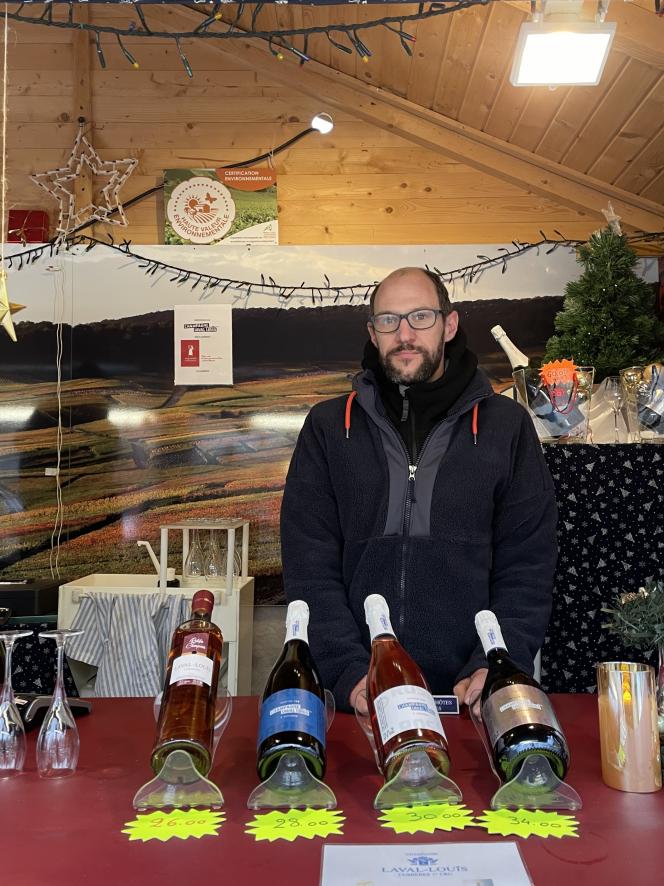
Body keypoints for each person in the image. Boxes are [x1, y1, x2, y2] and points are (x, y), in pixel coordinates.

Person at [280, 267, 558, 713]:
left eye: (420, 318)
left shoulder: (506, 427)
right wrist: (350, 671)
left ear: (449, 325)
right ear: (373, 333)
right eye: (389, 320)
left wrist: (496, 662)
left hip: (471, 695)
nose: (404, 334)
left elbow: (528, 565)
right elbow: (309, 565)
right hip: (359, 698)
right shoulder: (328, 427)